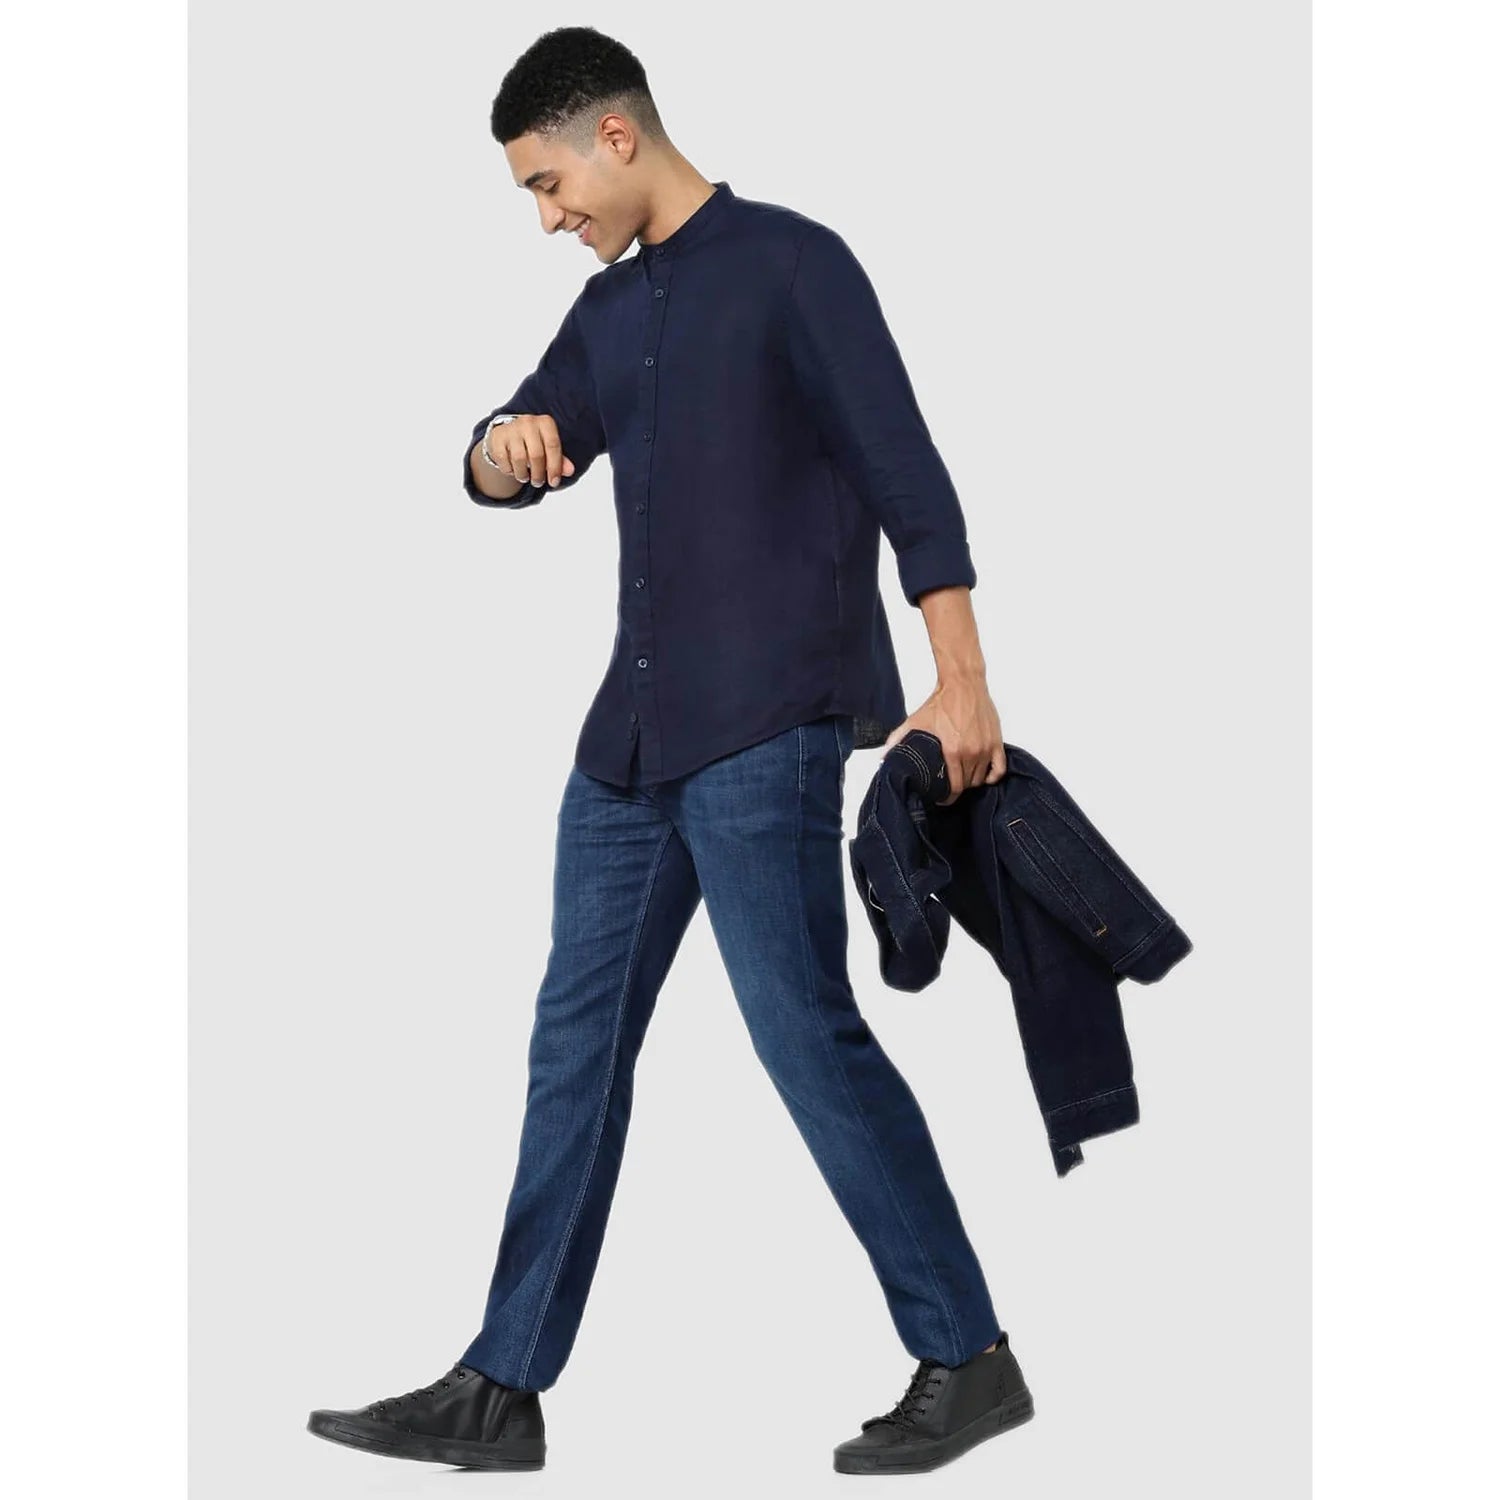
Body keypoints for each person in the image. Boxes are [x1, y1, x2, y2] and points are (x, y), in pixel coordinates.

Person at [307, 24, 1034, 1478]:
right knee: (572, 1047)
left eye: (548, 183)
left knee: (803, 1034)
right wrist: (497, 450)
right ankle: (503, 1386)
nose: (545, 217)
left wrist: (961, 684)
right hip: (626, 751)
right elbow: (516, 439)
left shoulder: (797, 266)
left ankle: (970, 1357)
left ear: (617, 135)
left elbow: (909, 474)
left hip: (765, 727)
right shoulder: (605, 313)